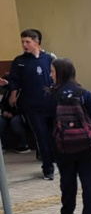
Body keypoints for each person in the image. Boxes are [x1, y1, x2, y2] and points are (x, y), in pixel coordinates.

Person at [49, 58, 91, 214]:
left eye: (52, 71)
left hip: (63, 146)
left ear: (60, 73)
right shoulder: (84, 94)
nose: (50, 75)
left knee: (67, 182)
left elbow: (45, 122)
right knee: (89, 183)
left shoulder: (51, 95)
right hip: (85, 146)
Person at [7, 29, 55, 179]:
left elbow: (56, 77)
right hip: (31, 105)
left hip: (50, 103)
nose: (24, 45)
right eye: (22, 42)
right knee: (41, 135)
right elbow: (14, 81)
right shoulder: (19, 61)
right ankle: (47, 168)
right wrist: (13, 94)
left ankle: (55, 159)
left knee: (52, 134)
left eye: (27, 42)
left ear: (36, 42)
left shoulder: (49, 58)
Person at [0, 73, 30, 154]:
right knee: (0, 121)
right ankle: (1, 145)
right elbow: (2, 103)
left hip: (19, 114)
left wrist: (13, 113)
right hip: (6, 114)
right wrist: (4, 112)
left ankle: (23, 144)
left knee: (15, 122)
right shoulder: (6, 92)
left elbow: (23, 106)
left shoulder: (22, 91)